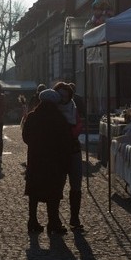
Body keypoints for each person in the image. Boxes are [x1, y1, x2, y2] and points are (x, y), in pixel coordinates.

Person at [21, 89, 77, 234]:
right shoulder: (59, 118)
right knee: (53, 193)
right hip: (54, 162)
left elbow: (25, 137)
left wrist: (35, 145)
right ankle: (53, 222)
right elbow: (65, 141)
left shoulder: (33, 116)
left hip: (36, 159)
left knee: (33, 192)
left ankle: (32, 220)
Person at [54, 82, 85, 231]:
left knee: (76, 184)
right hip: (58, 152)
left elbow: (78, 125)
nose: (63, 98)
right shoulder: (53, 110)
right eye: (60, 95)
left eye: (65, 95)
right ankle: (55, 218)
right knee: (57, 185)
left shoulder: (73, 108)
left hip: (74, 150)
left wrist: (71, 132)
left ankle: (75, 217)